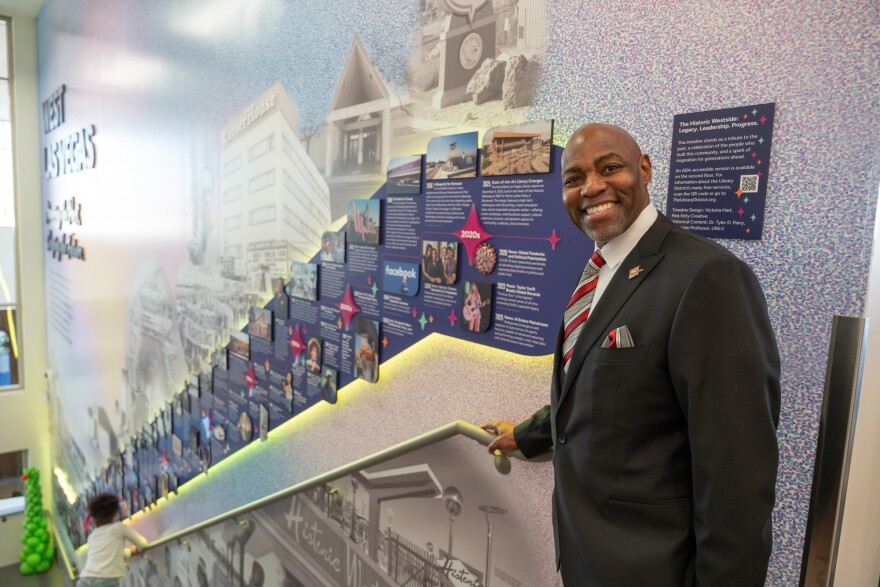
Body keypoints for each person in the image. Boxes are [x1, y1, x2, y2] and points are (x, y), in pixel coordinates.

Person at [482, 123, 780, 586]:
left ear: (643, 170)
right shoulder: (600, 269)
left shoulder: (708, 277)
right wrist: (529, 435)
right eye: (575, 178)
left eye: (610, 168)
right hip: (587, 559)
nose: (592, 187)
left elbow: (737, 480)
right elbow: (600, 387)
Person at [78, 492, 149, 587]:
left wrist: (128, 552)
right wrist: (134, 550)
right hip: (106, 581)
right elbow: (143, 544)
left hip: (85, 580)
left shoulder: (92, 535)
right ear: (114, 514)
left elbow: (105, 554)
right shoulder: (119, 528)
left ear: (95, 517)